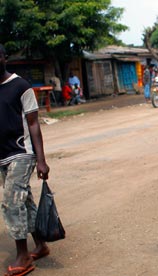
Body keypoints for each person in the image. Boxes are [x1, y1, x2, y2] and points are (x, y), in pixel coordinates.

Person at [0, 44, 50, 276]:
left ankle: (23, 255)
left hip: (22, 152)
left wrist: (41, 160)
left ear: (4, 58)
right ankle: (40, 244)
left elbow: (33, 124)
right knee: (24, 200)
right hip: (2, 156)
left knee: (12, 200)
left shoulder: (21, 86)